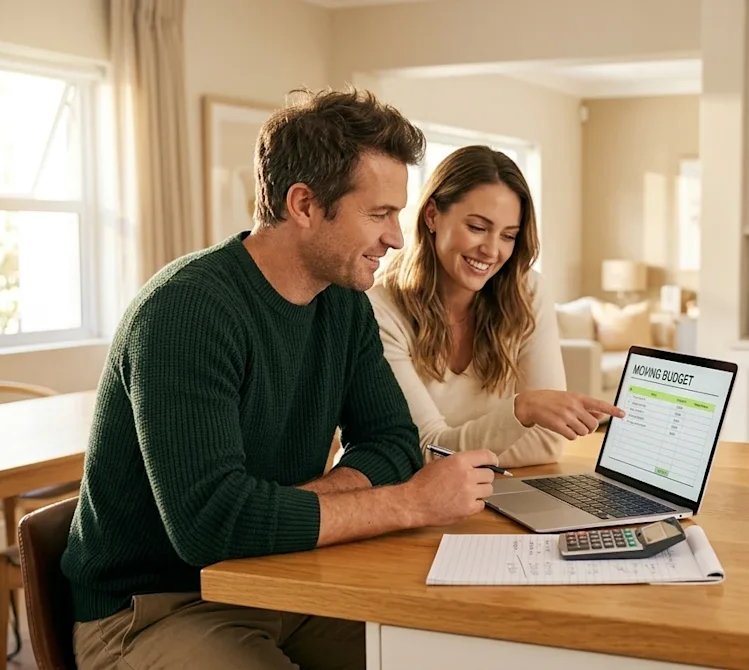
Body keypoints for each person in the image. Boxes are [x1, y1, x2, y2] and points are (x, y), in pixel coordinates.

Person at [60, 88, 501, 670]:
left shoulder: (343, 303)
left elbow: (392, 442)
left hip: (282, 574)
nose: (396, 237)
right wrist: (408, 505)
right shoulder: (186, 312)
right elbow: (211, 525)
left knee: (454, 653)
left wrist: (284, 508)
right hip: (155, 608)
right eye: (378, 214)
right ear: (304, 204)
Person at [368, 145, 624, 469]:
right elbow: (426, 452)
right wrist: (521, 412)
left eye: (508, 235)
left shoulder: (526, 291)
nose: (491, 251)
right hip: (407, 506)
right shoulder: (380, 311)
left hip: (493, 495)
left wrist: (459, 453)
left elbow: (547, 443)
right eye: (477, 227)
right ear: (432, 215)